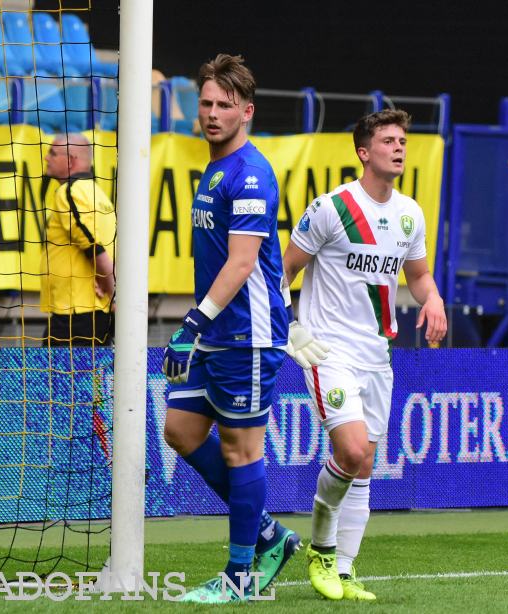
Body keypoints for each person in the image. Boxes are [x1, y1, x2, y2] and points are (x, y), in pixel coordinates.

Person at [161, 54, 327, 603]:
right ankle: (267, 534)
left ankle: (240, 575)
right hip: (214, 332)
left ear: (246, 111)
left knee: (241, 450)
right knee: (181, 432)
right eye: (206, 103)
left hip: (248, 335)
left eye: (224, 105)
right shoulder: (213, 167)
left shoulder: (250, 173)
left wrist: (191, 322)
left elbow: (242, 263)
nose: (211, 113)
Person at [283, 109, 448, 601]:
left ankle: (346, 569)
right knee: (351, 451)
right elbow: (282, 270)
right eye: (388, 140)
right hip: (329, 351)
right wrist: (289, 327)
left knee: (366, 464)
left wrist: (433, 298)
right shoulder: (331, 208)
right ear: (363, 151)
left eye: (402, 140)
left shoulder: (409, 214)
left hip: (378, 356)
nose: (399, 147)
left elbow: (417, 276)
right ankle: (320, 549)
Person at [41, 133, 115, 346]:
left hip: (75, 314)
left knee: (57, 378)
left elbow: (94, 247)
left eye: (53, 153)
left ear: (71, 160)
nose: (47, 158)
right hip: (93, 310)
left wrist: (114, 294)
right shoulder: (99, 194)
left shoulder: (69, 192)